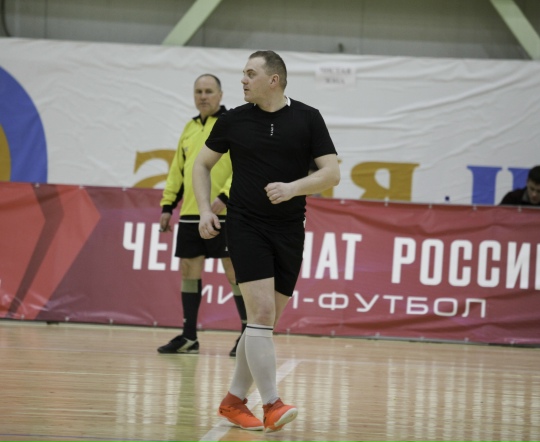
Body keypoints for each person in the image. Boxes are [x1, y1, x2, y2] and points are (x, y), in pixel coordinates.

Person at [193, 51, 340, 432]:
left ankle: (233, 401)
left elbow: (331, 173)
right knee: (259, 315)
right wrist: (205, 210)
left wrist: (293, 188)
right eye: (243, 73)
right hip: (246, 226)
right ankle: (272, 403)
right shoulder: (234, 120)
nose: (243, 80)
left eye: (250, 73)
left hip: (289, 230)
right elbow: (201, 164)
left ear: (273, 80)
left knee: (264, 323)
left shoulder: (307, 118)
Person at [157, 74, 247, 357]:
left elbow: (245, 165)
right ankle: (189, 337)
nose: (203, 96)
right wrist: (167, 206)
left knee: (233, 270)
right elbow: (178, 171)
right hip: (191, 213)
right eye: (199, 91)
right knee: (188, 269)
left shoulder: (232, 123)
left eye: (209, 91)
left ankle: (248, 335)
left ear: (220, 95)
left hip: (225, 212)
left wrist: (226, 196)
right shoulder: (190, 127)